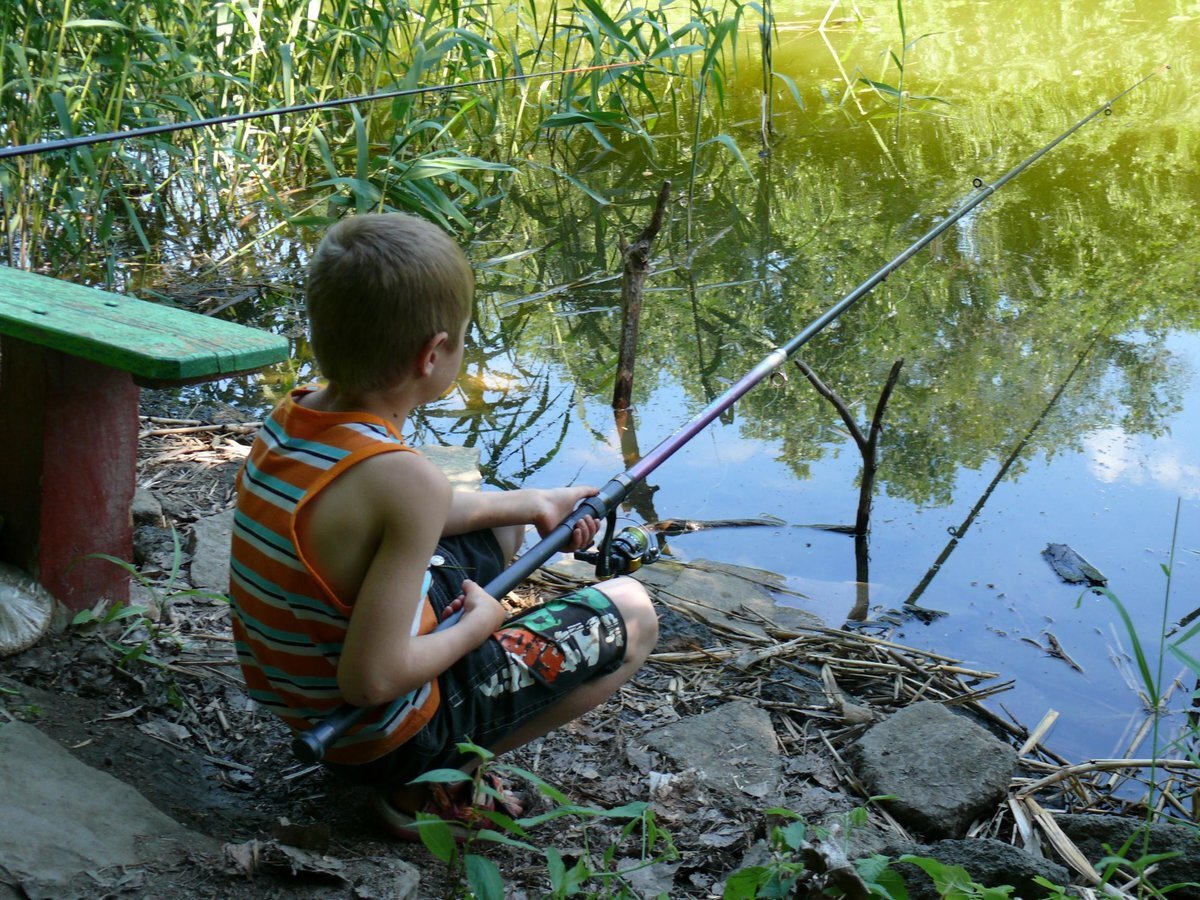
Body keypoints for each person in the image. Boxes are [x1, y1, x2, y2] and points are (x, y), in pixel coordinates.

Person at [227, 212, 658, 839]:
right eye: (461, 339)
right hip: (379, 734)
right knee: (636, 613)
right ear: (432, 355)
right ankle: (429, 782)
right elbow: (370, 678)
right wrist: (478, 626)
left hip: (306, 705)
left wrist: (534, 502)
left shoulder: (295, 418)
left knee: (505, 526)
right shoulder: (406, 481)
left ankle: (430, 751)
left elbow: (417, 516)